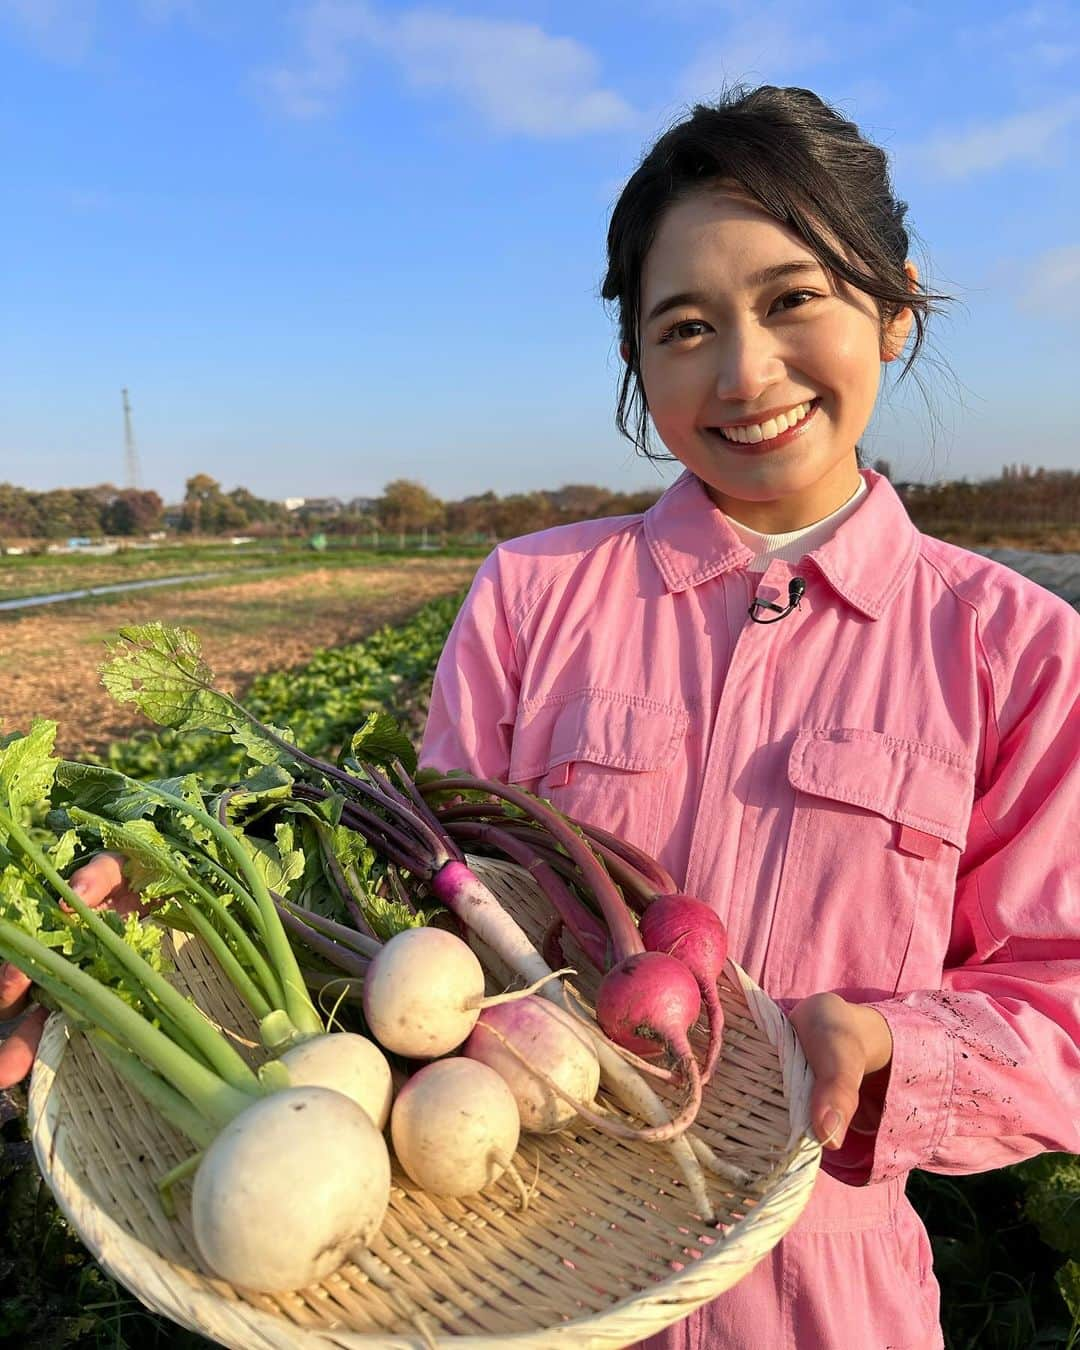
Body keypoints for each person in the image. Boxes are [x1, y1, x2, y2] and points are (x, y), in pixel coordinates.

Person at [2, 84, 1077, 1350]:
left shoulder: (1018, 651)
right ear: (636, 356)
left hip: (825, 1297)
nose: (744, 372)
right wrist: (178, 925)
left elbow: (1064, 1001)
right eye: (683, 327)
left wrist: (896, 1047)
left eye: (794, 300)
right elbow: (418, 938)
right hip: (501, 1261)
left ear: (893, 308)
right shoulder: (532, 593)